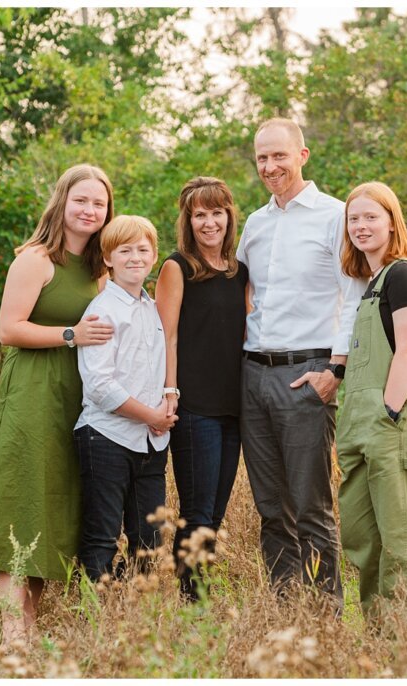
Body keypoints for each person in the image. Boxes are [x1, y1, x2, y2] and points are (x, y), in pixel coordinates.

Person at [0, 164, 116, 645]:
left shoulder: (100, 271)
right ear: (62, 202)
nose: (90, 210)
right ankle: (14, 639)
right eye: (82, 200)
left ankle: (31, 633)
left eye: (99, 203)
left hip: (78, 397)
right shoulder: (37, 260)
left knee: (53, 505)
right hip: (34, 391)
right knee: (21, 501)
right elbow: (8, 329)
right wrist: (71, 334)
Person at [236, 118, 366, 608]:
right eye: (262, 159)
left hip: (307, 373)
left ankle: (325, 616)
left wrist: (336, 370)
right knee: (271, 508)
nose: (270, 167)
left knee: (311, 507)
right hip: (253, 374)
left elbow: (352, 297)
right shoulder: (255, 222)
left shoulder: (336, 217)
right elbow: (245, 292)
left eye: (279, 156)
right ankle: (286, 612)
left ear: (302, 155)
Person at [335, 181, 407, 618]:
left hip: (392, 430)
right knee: (363, 540)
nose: (361, 226)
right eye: (353, 219)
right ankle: (381, 643)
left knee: (400, 541)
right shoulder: (369, 284)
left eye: (371, 217)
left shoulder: (403, 275)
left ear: (392, 221)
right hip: (360, 433)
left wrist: (389, 413)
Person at [156, 177, 249, 601]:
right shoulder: (177, 268)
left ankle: (200, 595)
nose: (209, 222)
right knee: (196, 511)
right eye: (200, 215)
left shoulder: (238, 271)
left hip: (234, 406)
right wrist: (170, 389)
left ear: (229, 216)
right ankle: (192, 603)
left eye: (217, 213)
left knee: (216, 510)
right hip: (194, 407)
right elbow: (166, 336)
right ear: (188, 221)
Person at [74, 215, 177, 582]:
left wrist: (169, 398)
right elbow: (100, 386)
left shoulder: (152, 309)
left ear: (154, 257)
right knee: (101, 536)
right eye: (124, 250)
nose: (135, 257)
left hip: (150, 441)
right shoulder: (103, 311)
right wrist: (151, 414)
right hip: (106, 437)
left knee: (149, 541)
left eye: (142, 250)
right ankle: (92, 617)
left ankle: (131, 613)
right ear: (108, 259)